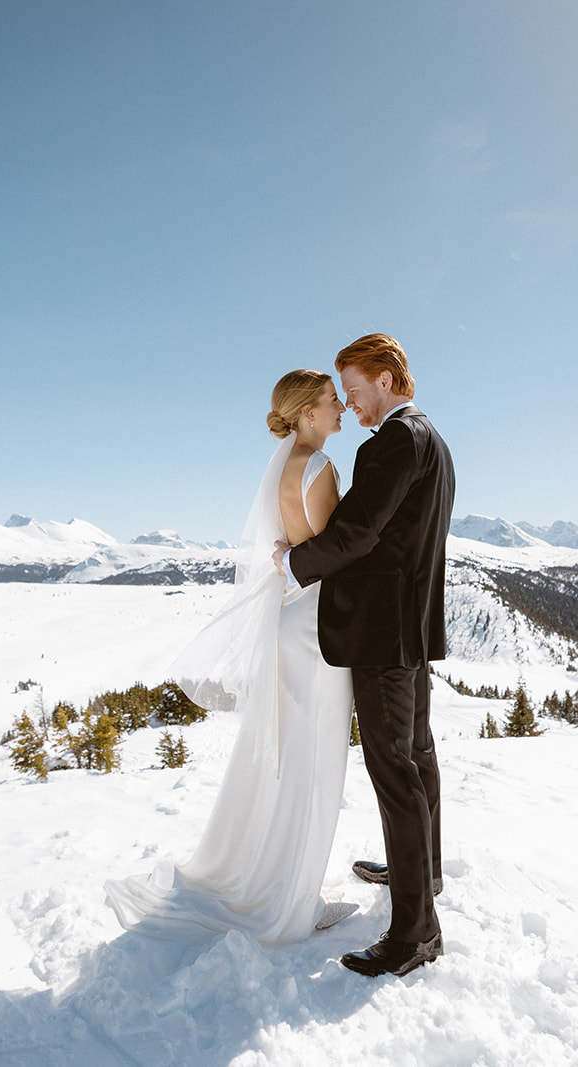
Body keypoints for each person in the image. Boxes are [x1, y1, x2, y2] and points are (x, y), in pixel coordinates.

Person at [103, 369, 360, 943]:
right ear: (308, 413)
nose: (341, 406)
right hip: (319, 623)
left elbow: (300, 547)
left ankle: (272, 879)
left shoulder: (287, 464)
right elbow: (338, 556)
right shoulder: (319, 468)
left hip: (292, 619)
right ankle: (293, 900)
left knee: (286, 757)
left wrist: (290, 554)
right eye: (330, 399)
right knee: (314, 764)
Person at [274, 333, 455, 978]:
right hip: (410, 628)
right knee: (417, 756)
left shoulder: (396, 442)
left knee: (394, 770)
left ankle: (414, 932)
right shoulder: (431, 438)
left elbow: (357, 533)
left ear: (385, 377)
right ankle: (421, 872)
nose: (351, 407)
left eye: (353, 390)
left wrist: (296, 563)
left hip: (383, 634)